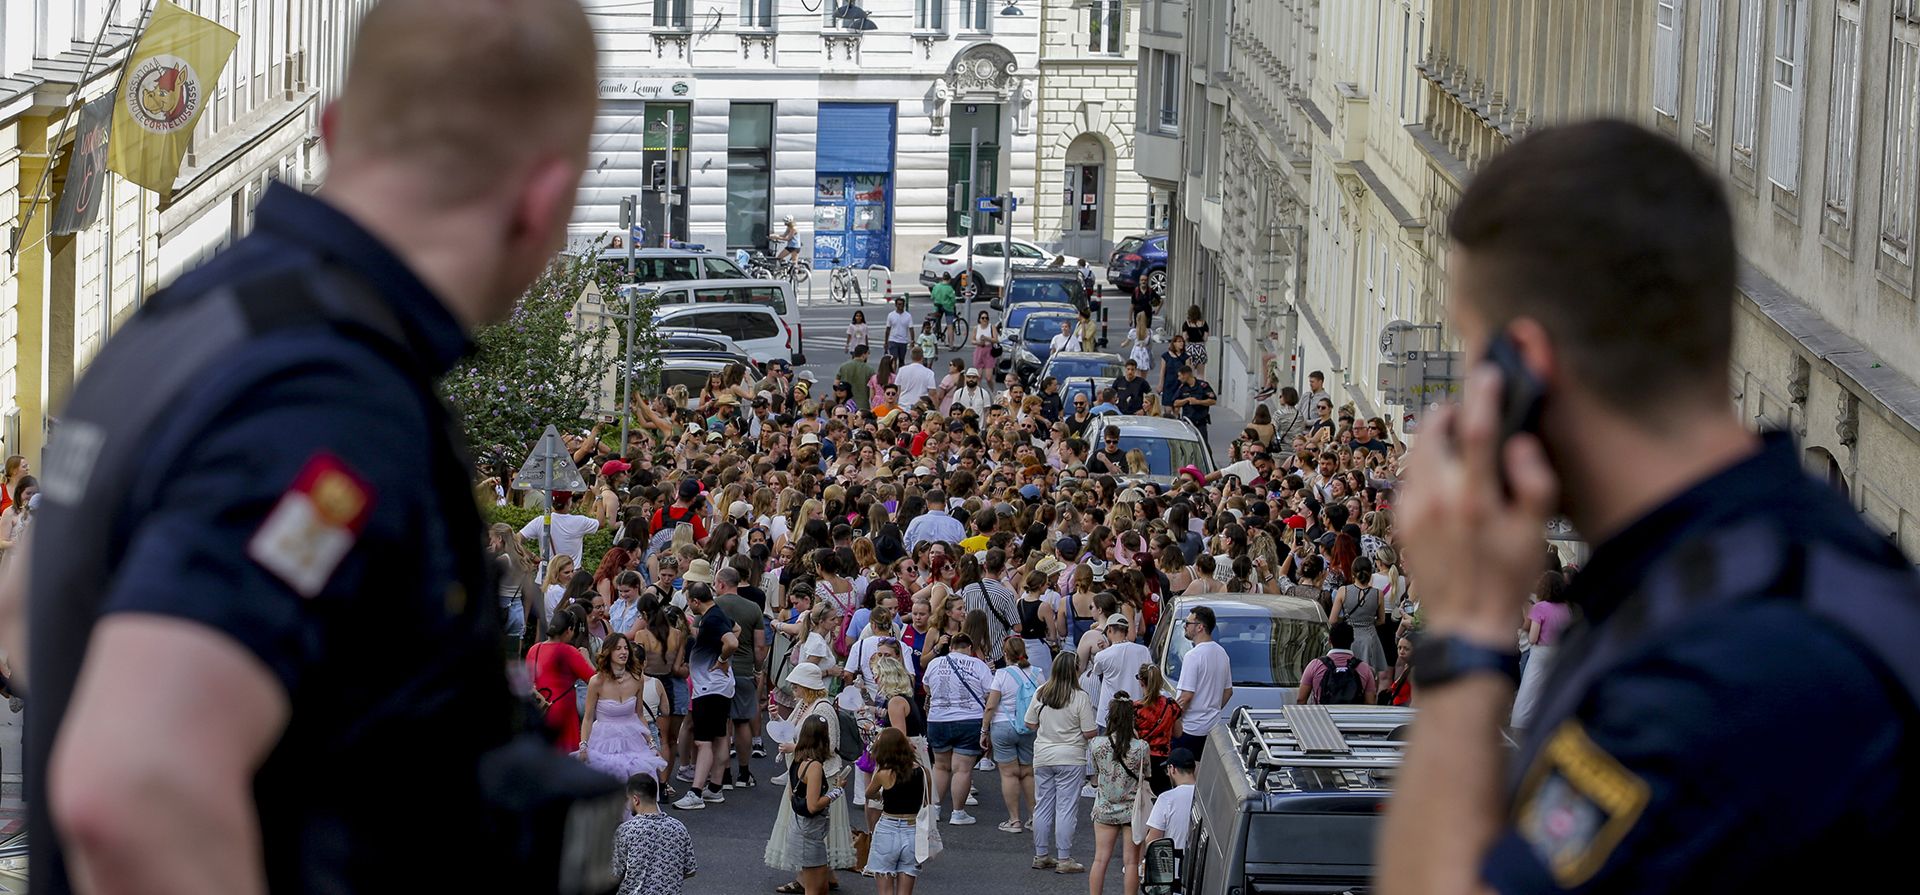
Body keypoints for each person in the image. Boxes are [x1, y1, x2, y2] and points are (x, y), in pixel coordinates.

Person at [1380, 121, 1920, 895]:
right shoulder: (1802, 564)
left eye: (1472, 359)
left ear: (1523, 371)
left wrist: (1464, 634)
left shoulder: (1718, 670)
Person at [1026, 651, 1097, 874]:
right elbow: (1089, 731)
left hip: (1044, 755)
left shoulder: (1041, 693)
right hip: (1071, 757)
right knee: (1066, 808)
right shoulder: (1080, 697)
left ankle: (1041, 854)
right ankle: (1064, 858)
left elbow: (1029, 723)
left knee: (1043, 805)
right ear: (1076, 669)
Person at [674, 583, 739, 810]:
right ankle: (715, 788)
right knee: (720, 736)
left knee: (703, 742)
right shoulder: (718, 614)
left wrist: (721, 660)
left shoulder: (711, 618)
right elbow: (736, 629)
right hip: (719, 687)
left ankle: (696, 791)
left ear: (694, 601)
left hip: (708, 688)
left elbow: (732, 641)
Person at [579, 634, 669, 785]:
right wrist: (583, 745)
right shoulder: (596, 682)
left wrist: (651, 743)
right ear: (608, 652)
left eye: (626, 648)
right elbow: (588, 717)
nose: (624, 652)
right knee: (608, 783)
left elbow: (639, 715)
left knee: (637, 781)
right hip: (604, 740)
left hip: (632, 739)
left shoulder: (637, 679)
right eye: (618, 648)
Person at [923, 632, 993, 825]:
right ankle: (958, 812)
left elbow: (927, 687)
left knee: (940, 766)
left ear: (951, 647)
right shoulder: (979, 665)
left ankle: (935, 809)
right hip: (969, 719)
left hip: (938, 719)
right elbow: (989, 692)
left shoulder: (935, 663)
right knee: (962, 769)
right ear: (969, 648)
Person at [1087, 697, 1148, 895]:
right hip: (1132, 810)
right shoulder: (1141, 747)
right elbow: (1146, 775)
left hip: (1105, 806)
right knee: (1131, 862)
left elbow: (1096, 772)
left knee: (1100, 859)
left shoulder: (1096, 744)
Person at [982, 636, 1042, 833]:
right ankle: (1034, 818)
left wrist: (984, 730)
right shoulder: (1037, 674)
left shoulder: (1001, 675)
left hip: (1003, 726)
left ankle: (1014, 820)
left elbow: (991, 706)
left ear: (1005, 654)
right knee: (1027, 773)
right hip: (1029, 726)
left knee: (1008, 774)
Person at [863, 727, 927, 895]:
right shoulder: (922, 772)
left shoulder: (883, 774)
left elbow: (868, 793)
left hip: (888, 827)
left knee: (885, 889)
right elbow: (927, 802)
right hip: (913, 829)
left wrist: (880, 796)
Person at [611, 774, 698, 895]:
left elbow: (614, 874)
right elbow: (690, 870)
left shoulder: (626, 830)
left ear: (636, 799)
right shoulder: (679, 828)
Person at [786, 715, 844, 895]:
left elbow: (791, 794)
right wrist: (836, 791)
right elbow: (813, 805)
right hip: (809, 832)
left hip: (799, 826)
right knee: (814, 889)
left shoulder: (797, 759)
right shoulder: (815, 766)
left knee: (822, 887)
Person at [1508, 570, 1572, 730]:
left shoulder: (1539, 608)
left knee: (1530, 688)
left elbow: (1533, 637)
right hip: (1558, 652)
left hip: (1540, 652)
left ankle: (1520, 722)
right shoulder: (1566, 609)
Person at [528, 610, 598, 753]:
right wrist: (587, 659)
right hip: (562, 711)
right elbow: (595, 679)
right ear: (569, 630)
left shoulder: (534, 649)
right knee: (566, 754)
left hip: (540, 708)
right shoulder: (568, 651)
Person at [1171, 606, 1230, 755]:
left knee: (1183, 775)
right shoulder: (1222, 653)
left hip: (1190, 729)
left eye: (1188, 623)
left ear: (1200, 627)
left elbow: (1186, 696)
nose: (1185, 626)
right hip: (1212, 729)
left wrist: (1171, 718)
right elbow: (1228, 692)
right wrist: (1212, 709)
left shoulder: (1193, 656)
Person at [1328, 556, 1388, 675]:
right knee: (1370, 675)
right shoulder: (1378, 594)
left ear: (1353, 573)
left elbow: (1332, 620)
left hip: (1349, 638)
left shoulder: (1343, 591)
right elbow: (1381, 620)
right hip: (1369, 637)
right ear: (1370, 573)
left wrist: (1346, 619)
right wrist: (1369, 621)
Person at [1131, 663, 1182, 794]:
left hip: (1141, 759)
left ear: (1141, 682)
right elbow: (1178, 733)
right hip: (1162, 760)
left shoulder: (1136, 708)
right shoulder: (1171, 706)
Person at [1297, 623, 1375, 705]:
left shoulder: (1315, 665)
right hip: (1353, 716)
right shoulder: (1364, 668)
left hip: (1323, 716)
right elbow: (1370, 702)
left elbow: (1301, 699)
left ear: (1329, 640)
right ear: (1352, 640)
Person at [521, 492, 603, 567]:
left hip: (546, 576)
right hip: (570, 577)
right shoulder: (579, 521)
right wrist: (598, 497)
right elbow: (601, 523)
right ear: (569, 502)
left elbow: (515, 540)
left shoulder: (540, 521)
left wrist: (532, 556)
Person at [1142, 747, 1197, 853]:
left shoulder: (1166, 799)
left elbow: (1153, 840)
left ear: (1172, 769)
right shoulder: (1205, 796)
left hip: (1172, 866)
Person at [1169, 364, 1217, 444]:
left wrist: (1198, 402)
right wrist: (1186, 400)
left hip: (1200, 423)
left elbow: (1213, 401)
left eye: (1180, 376)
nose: (1179, 378)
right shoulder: (1183, 388)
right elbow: (1175, 403)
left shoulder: (1202, 386)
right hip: (1188, 422)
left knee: (1203, 445)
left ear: (1186, 375)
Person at [839, 343, 877, 409]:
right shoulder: (870, 370)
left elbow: (836, 384)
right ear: (863, 354)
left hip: (846, 404)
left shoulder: (843, 367)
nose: (868, 356)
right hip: (863, 405)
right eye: (868, 354)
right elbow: (873, 389)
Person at [885, 297, 915, 365]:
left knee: (901, 360)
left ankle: (901, 374)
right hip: (893, 340)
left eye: (902, 304)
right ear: (896, 305)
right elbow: (888, 329)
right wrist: (886, 342)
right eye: (899, 304)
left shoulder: (908, 316)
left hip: (903, 341)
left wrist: (912, 340)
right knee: (894, 358)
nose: (900, 306)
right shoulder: (891, 315)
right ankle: (894, 374)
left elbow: (911, 329)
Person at [932, 272, 961, 337]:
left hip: (937, 306)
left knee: (937, 318)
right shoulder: (949, 288)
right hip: (947, 307)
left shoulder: (936, 286)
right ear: (949, 280)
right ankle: (951, 344)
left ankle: (936, 330)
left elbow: (932, 297)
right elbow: (953, 300)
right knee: (950, 325)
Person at [972, 309, 997, 373]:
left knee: (988, 378)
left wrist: (986, 338)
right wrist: (978, 343)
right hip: (979, 351)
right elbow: (972, 340)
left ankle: (991, 383)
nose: (985, 320)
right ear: (979, 319)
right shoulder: (976, 328)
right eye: (983, 318)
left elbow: (996, 340)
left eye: (986, 318)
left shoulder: (992, 327)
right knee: (979, 375)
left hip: (989, 351)